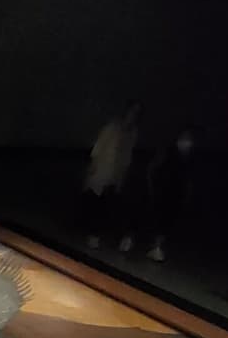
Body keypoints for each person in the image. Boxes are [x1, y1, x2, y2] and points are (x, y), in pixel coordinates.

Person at [80, 102, 142, 249]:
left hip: (115, 174)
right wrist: (93, 166)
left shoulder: (133, 132)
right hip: (102, 169)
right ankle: (89, 232)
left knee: (106, 204)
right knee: (93, 201)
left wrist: (122, 176)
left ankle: (95, 234)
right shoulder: (113, 126)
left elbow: (127, 155)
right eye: (132, 111)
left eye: (137, 113)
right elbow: (99, 146)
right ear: (126, 111)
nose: (133, 115)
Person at [127, 127, 193, 262]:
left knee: (166, 223)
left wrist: (185, 196)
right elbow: (151, 169)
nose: (187, 143)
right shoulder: (167, 152)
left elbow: (187, 181)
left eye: (189, 140)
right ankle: (129, 239)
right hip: (159, 193)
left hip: (175, 197)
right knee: (146, 217)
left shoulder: (188, 159)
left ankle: (156, 248)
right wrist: (151, 187)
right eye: (184, 139)